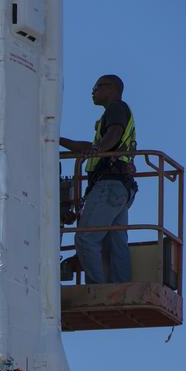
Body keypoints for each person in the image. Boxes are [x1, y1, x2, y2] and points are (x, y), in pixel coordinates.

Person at [60, 74, 137, 284]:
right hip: (121, 188)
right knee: (115, 243)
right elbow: (90, 146)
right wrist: (57, 139)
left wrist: (98, 149)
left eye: (98, 86)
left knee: (85, 238)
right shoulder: (115, 116)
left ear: (112, 89)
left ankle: (96, 288)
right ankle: (120, 288)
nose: (93, 91)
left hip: (108, 185)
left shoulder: (116, 108)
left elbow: (114, 133)